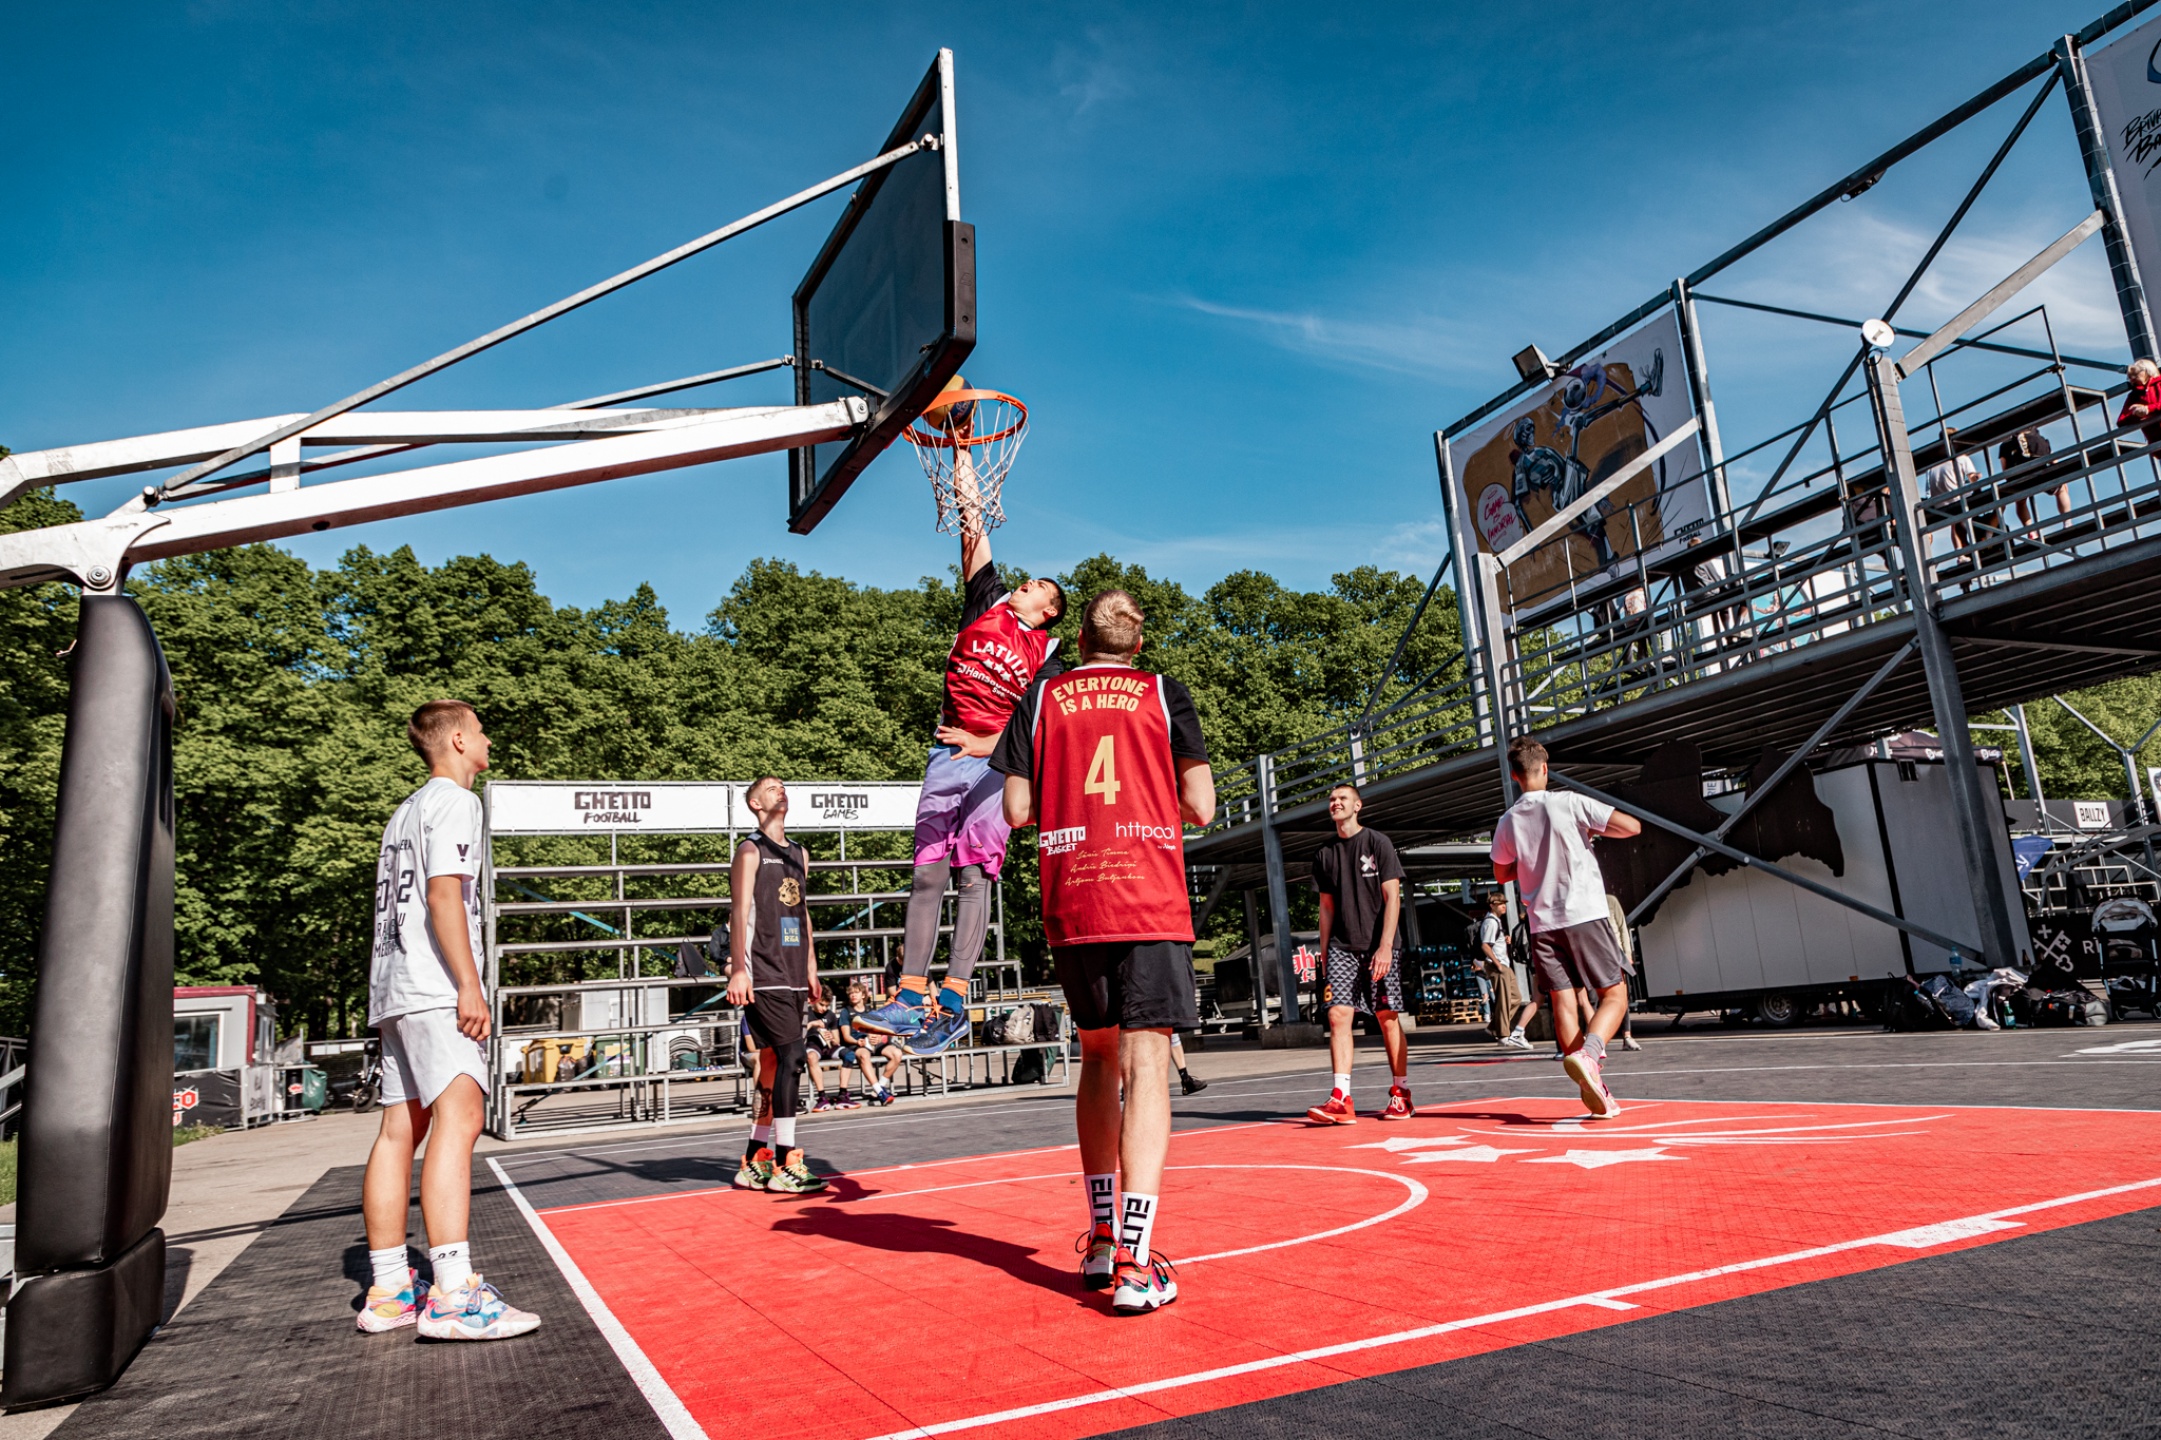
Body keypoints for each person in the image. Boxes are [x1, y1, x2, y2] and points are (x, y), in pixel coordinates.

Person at [993, 589, 1214, 1314]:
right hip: (1146, 893)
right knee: (1147, 1063)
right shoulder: (1162, 692)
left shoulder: (1041, 697)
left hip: (1075, 893)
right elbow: (1201, 806)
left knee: (1096, 1058)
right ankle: (1136, 1261)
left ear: (1080, 641)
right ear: (1137, 645)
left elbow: (1018, 811)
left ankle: (1098, 1236)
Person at [857, 381, 1067, 1054]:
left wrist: (987, 743)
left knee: (975, 875)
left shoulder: (1048, 656)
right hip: (947, 756)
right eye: (1026, 580)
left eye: (1038, 586)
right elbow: (973, 520)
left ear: (1049, 610)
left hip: (991, 765)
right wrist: (962, 446)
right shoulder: (987, 604)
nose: (1025, 583)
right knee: (926, 872)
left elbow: (1041, 729)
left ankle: (952, 998)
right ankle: (907, 996)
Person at [358, 700, 540, 1341]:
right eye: (481, 731)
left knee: (397, 1132)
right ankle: (454, 1294)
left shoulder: (404, 811)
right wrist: (469, 984)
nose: (488, 740)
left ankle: (389, 1290)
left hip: (394, 984)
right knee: (459, 1121)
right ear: (458, 739)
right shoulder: (457, 802)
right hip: (434, 986)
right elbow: (443, 896)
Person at [1489, 737, 1642, 1118]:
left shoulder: (1508, 821)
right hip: (1583, 913)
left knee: (1563, 1001)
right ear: (1545, 768)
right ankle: (1590, 1055)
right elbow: (1631, 827)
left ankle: (1593, 1088)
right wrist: (1589, 833)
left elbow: (1501, 873)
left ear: (1514, 775)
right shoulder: (1569, 802)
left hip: (1542, 923)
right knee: (1615, 994)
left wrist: (1532, 861)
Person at [727, 777, 830, 1195]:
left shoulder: (799, 853)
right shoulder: (750, 851)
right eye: (771, 788)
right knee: (793, 1057)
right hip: (763, 971)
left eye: (783, 786)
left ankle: (755, 1159)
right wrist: (738, 969)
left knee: (771, 1062)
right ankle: (787, 1161)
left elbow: (802, 913)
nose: (780, 791)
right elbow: (738, 912)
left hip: (793, 971)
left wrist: (811, 966)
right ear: (755, 803)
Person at [1303, 784, 1412, 1124]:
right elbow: (1326, 907)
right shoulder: (1324, 853)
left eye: (1342, 799)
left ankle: (1401, 1094)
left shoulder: (1378, 843)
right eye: (1332, 800)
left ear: (1357, 806)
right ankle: (1341, 1098)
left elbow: (1393, 897)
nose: (1336, 803)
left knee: (1386, 1016)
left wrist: (1385, 946)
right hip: (1341, 947)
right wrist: (1324, 954)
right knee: (1338, 1015)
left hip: (1379, 945)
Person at [1479, 891, 1535, 1049]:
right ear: (1492, 906)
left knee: (1515, 997)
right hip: (1498, 965)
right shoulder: (1491, 922)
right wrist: (1497, 964)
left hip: (1504, 964)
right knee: (1503, 1000)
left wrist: (1503, 940)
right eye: (1500, 904)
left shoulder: (1496, 921)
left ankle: (1494, 1027)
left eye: (1504, 903)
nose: (1503, 906)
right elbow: (1485, 945)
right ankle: (1503, 1035)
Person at [804, 993, 860, 1111]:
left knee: (849, 1055)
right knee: (811, 1057)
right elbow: (799, 1034)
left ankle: (842, 1095)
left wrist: (831, 1038)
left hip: (828, 1046)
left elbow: (837, 1040)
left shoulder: (830, 1015)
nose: (824, 1008)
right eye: (821, 1005)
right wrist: (812, 1024)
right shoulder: (806, 1013)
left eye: (827, 1006)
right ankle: (822, 1097)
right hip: (813, 1045)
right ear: (815, 1001)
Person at [2118, 358, 2161, 443]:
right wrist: (2136, 414)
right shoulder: (2134, 395)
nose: (2132, 378)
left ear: (2147, 371)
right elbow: (2121, 421)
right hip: (2156, 441)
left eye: (2135, 373)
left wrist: (2148, 409)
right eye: (2130, 376)